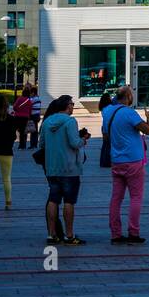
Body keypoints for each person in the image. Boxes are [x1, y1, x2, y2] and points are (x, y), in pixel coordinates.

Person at [102, 85, 149, 245]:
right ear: (128, 97)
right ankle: (133, 232)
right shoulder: (129, 113)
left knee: (116, 198)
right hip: (133, 161)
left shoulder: (108, 112)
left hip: (116, 160)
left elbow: (105, 135)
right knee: (136, 197)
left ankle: (115, 234)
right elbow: (148, 130)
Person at [37, 95, 88, 246]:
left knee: (53, 200)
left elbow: (42, 144)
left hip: (52, 168)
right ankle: (69, 235)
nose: (73, 106)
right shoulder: (70, 121)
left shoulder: (47, 122)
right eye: (72, 104)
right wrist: (83, 140)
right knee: (69, 201)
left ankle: (51, 234)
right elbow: (74, 143)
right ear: (67, 106)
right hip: (69, 168)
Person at [13, 85, 34, 149]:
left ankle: (12, 142)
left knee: (14, 129)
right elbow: (30, 110)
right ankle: (22, 145)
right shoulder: (29, 101)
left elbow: (14, 107)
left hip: (17, 117)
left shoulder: (19, 99)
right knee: (23, 132)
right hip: (25, 118)